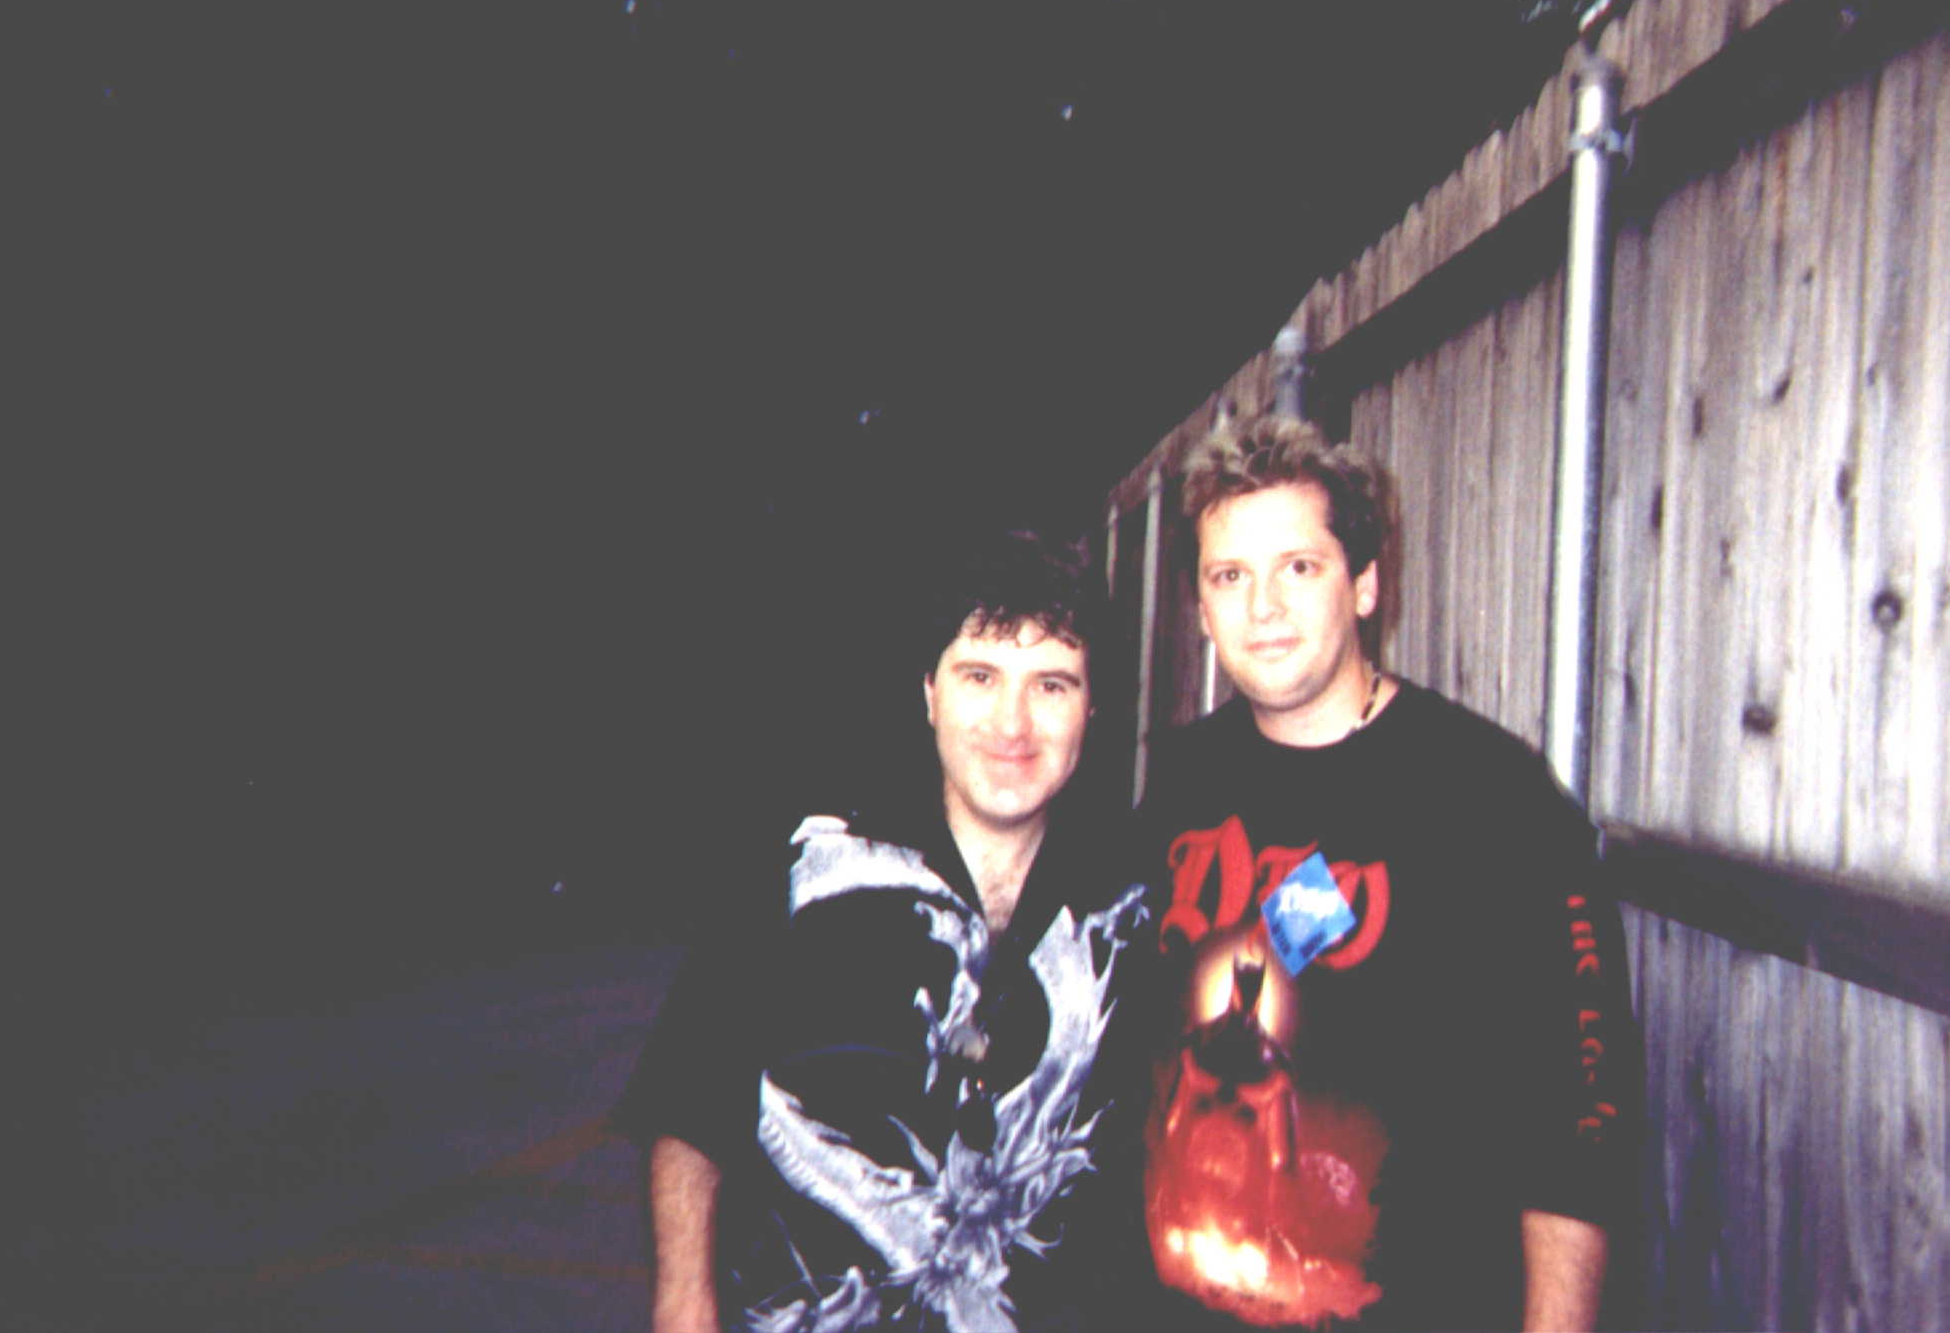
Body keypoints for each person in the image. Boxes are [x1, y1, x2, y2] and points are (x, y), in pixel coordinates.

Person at [1137, 415, 1640, 1333]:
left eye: (1299, 567)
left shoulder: (1494, 798)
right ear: (1202, 611)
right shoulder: (1176, 783)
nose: (1263, 608)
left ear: (1365, 585)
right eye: (1229, 577)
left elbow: (1580, 1135)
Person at [618, 531, 1152, 1333]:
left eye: (1051, 684)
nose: (1013, 724)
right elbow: (690, 1104)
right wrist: (683, 1304)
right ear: (930, 693)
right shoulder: (809, 868)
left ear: (1092, 708)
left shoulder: (1135, 907)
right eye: (980, 677)